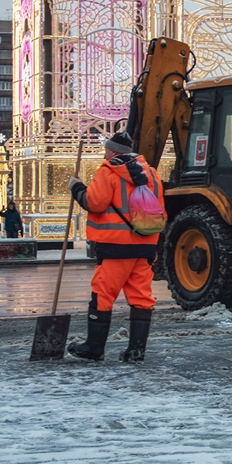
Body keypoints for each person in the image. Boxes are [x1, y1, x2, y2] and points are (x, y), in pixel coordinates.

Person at [66, 131, 165, 362]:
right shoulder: (151, 173)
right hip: (145, 244)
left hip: (115, 246)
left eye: (106, 150)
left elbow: (94, 203)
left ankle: (93, 348)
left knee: (102, 295)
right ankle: (136, 350)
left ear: (112, 151)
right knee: (141, 297)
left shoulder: (108, 171)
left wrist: (76, 188)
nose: (105, 153)